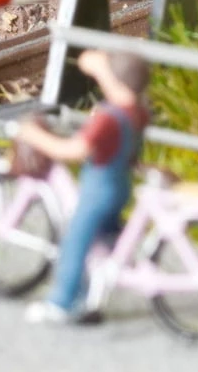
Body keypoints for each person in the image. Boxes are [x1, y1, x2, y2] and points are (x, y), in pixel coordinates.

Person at [17, 49, 151, 325]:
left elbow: (74, 150)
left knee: (75, 242)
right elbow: (117, 88)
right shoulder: (137, 112)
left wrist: (36, 136)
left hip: (98, 190)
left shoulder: (108, 118)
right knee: (104, 241)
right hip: (121, 185)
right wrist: (100, 67)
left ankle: (62, 303)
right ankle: (96, 291)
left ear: (117, 82)